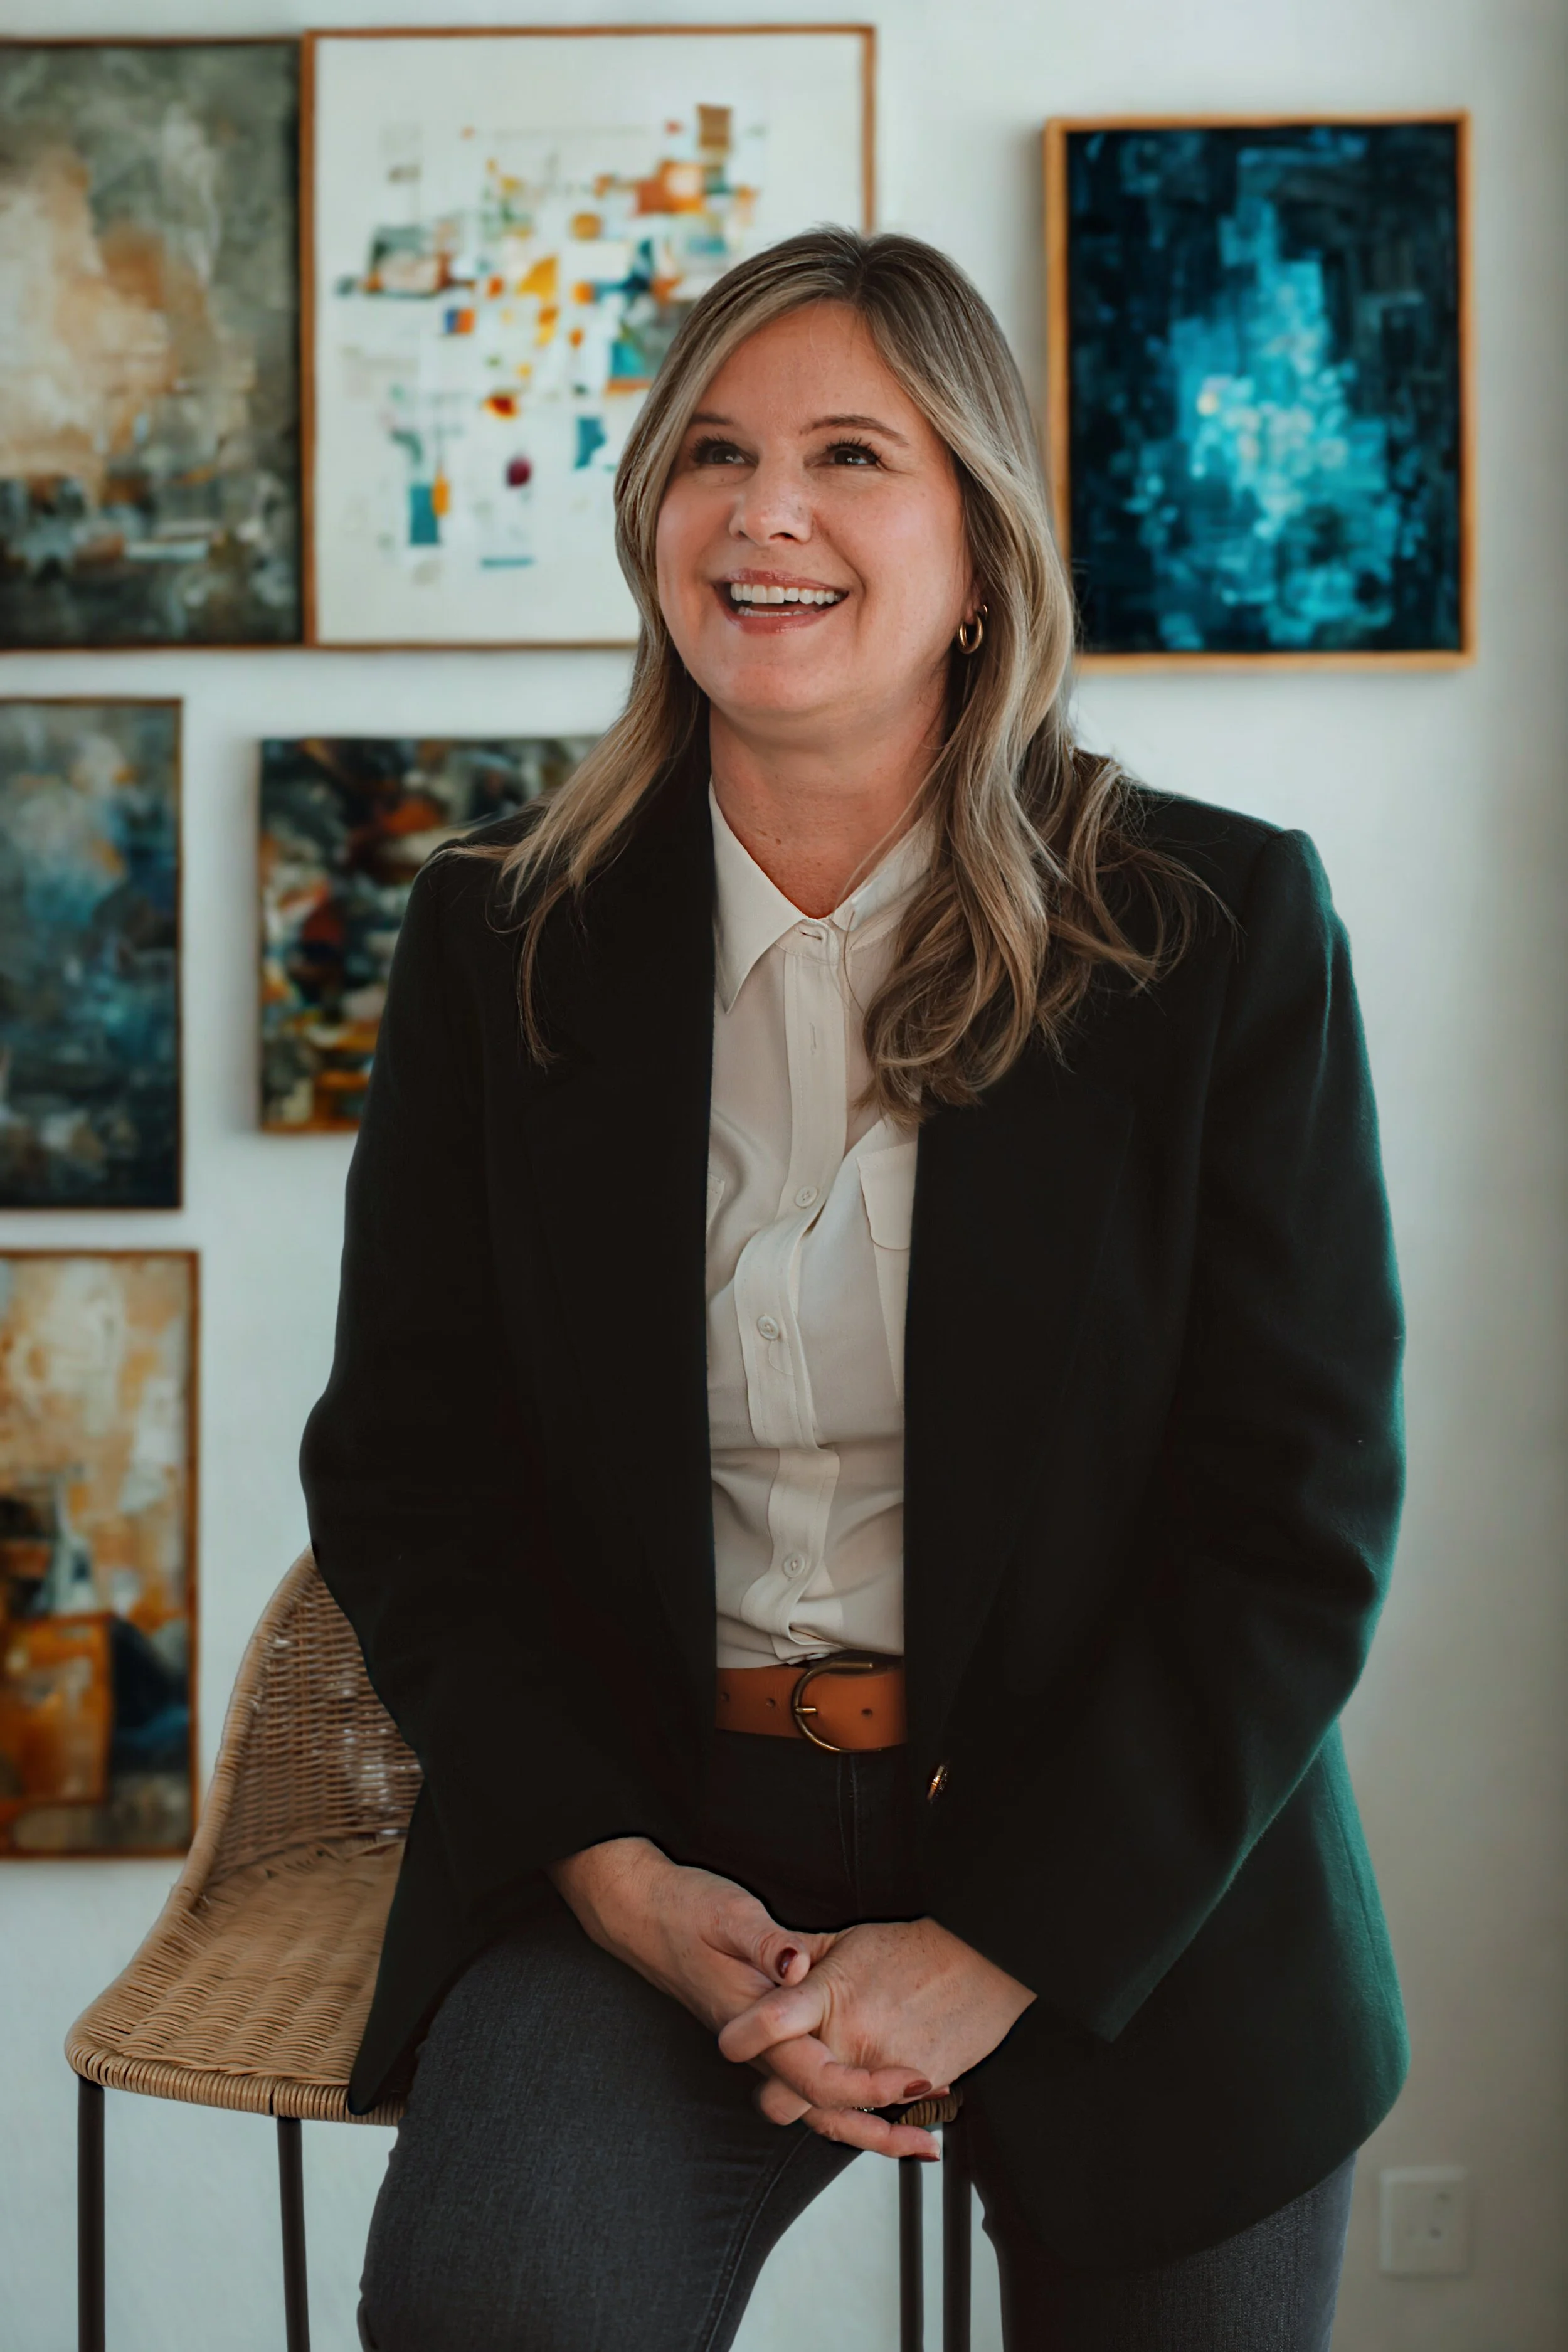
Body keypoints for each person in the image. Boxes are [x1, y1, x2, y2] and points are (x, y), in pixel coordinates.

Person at [300, 228, 1407, 2351]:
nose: (764, 511)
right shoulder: (495, 943)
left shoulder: (1215, 928)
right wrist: (613, 1878)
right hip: (665, 1860)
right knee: (497, 2306)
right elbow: (412, 1476)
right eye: (710, 454)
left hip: (1131, 1872)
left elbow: (1290, 1520)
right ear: (651, 527)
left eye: (844, 456)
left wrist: (994, 1940)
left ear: (980, 545)